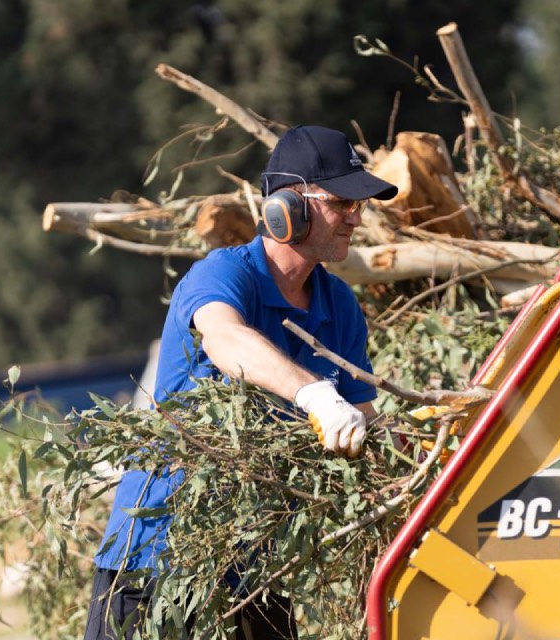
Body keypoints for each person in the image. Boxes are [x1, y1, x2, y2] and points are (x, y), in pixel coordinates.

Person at [83, 125, 399, 640]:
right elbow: (225, 339)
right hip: (158, 557)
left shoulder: (339, 305)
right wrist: (315, 394)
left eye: (359, 205)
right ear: (288, 208)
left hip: (255, 567)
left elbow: (361, 419)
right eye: (343, 203)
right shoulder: (223, 276)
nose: (356, 218)